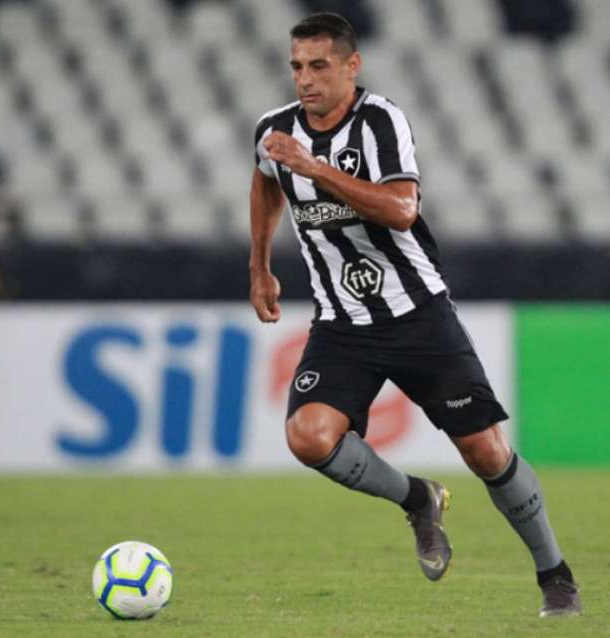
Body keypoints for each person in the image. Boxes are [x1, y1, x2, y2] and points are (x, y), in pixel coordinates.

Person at [248, 12, 581, 617]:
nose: (305, 79)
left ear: (352, 65)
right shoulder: (275, 132)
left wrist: (316, 168)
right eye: (297, 67)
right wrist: (259, 264)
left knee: (486, 452)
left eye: (319, 65)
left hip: (417, 315)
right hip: (342, 323)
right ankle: (418, 500)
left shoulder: (380, 121)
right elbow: (266, 179)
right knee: (308, 436)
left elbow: (402, 209)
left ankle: (554, 574)